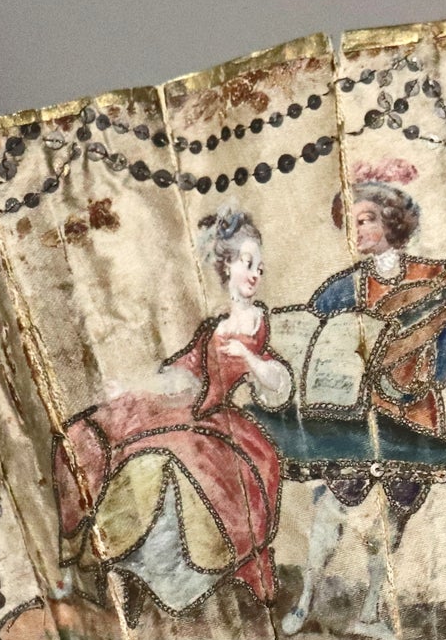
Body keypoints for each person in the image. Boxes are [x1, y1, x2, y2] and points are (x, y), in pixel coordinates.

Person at [280, 157, 446, 640]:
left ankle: (371, 612)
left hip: (415, 413)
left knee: (392, 519)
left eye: (367, 219)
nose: (358, 231)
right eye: (352, 223)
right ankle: (306, 599)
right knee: (333, 506)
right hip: (360, 413)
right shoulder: (347, 288)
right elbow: (312, 336)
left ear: (392, 222)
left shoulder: (432, 275)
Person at [54, 204, 293, 612]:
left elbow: (279, 383)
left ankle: (176, 582)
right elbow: (183, 373)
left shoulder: (257, 323)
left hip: (219, 421)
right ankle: (115, 565)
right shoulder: (213, 327)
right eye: (246, 262)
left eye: (259, 267)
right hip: (186, 410)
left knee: (176, 459)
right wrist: (133, 389)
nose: (254, 274)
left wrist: (251, 360)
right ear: (226, 266)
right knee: (98, 434)